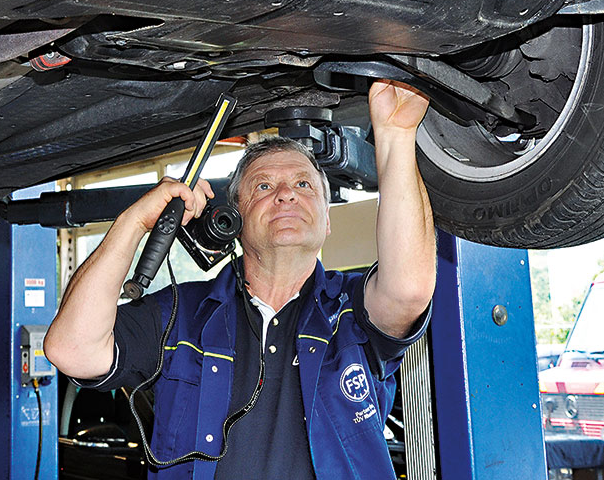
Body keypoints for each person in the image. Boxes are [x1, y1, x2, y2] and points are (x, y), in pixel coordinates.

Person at [45, 79, 436, 479]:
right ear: (236, 220)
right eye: (264, 186)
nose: (286, 194)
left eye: (303, 184)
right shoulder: (180, 314)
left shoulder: (350, 311)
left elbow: (408, 289)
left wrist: (396, 135)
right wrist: (134, 222)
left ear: (327, 218)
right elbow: (71, 349)